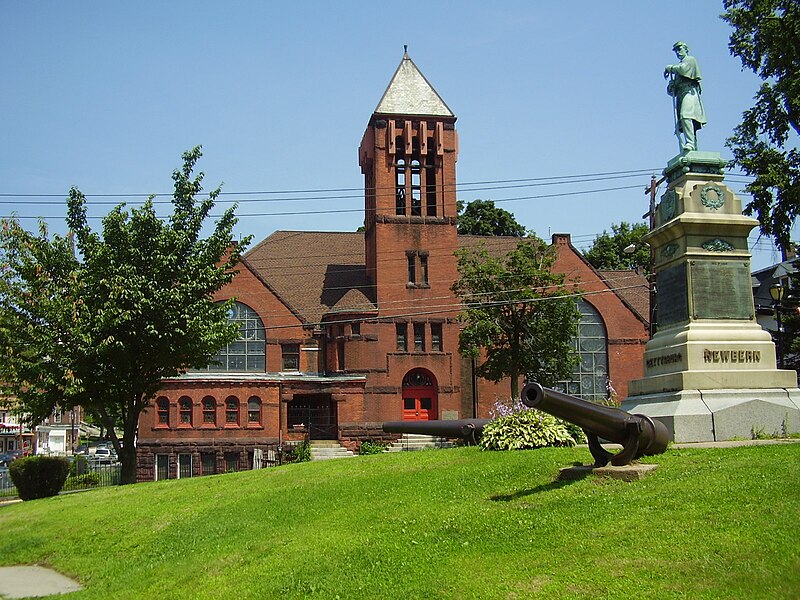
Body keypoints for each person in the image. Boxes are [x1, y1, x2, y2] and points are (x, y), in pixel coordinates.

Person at [664, 41, 707, 153]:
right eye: (676, 51)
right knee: (685, 122)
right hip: (681, 95)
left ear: (686, 49)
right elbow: (671, 92)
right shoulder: (678, 70)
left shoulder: (690, 60)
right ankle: (693, 147)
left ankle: (690, 143)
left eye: (680, 49)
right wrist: (671, 86)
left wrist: (671, 68)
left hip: (690, 92)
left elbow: (683, 69)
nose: (678, 52)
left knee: (686, 116)